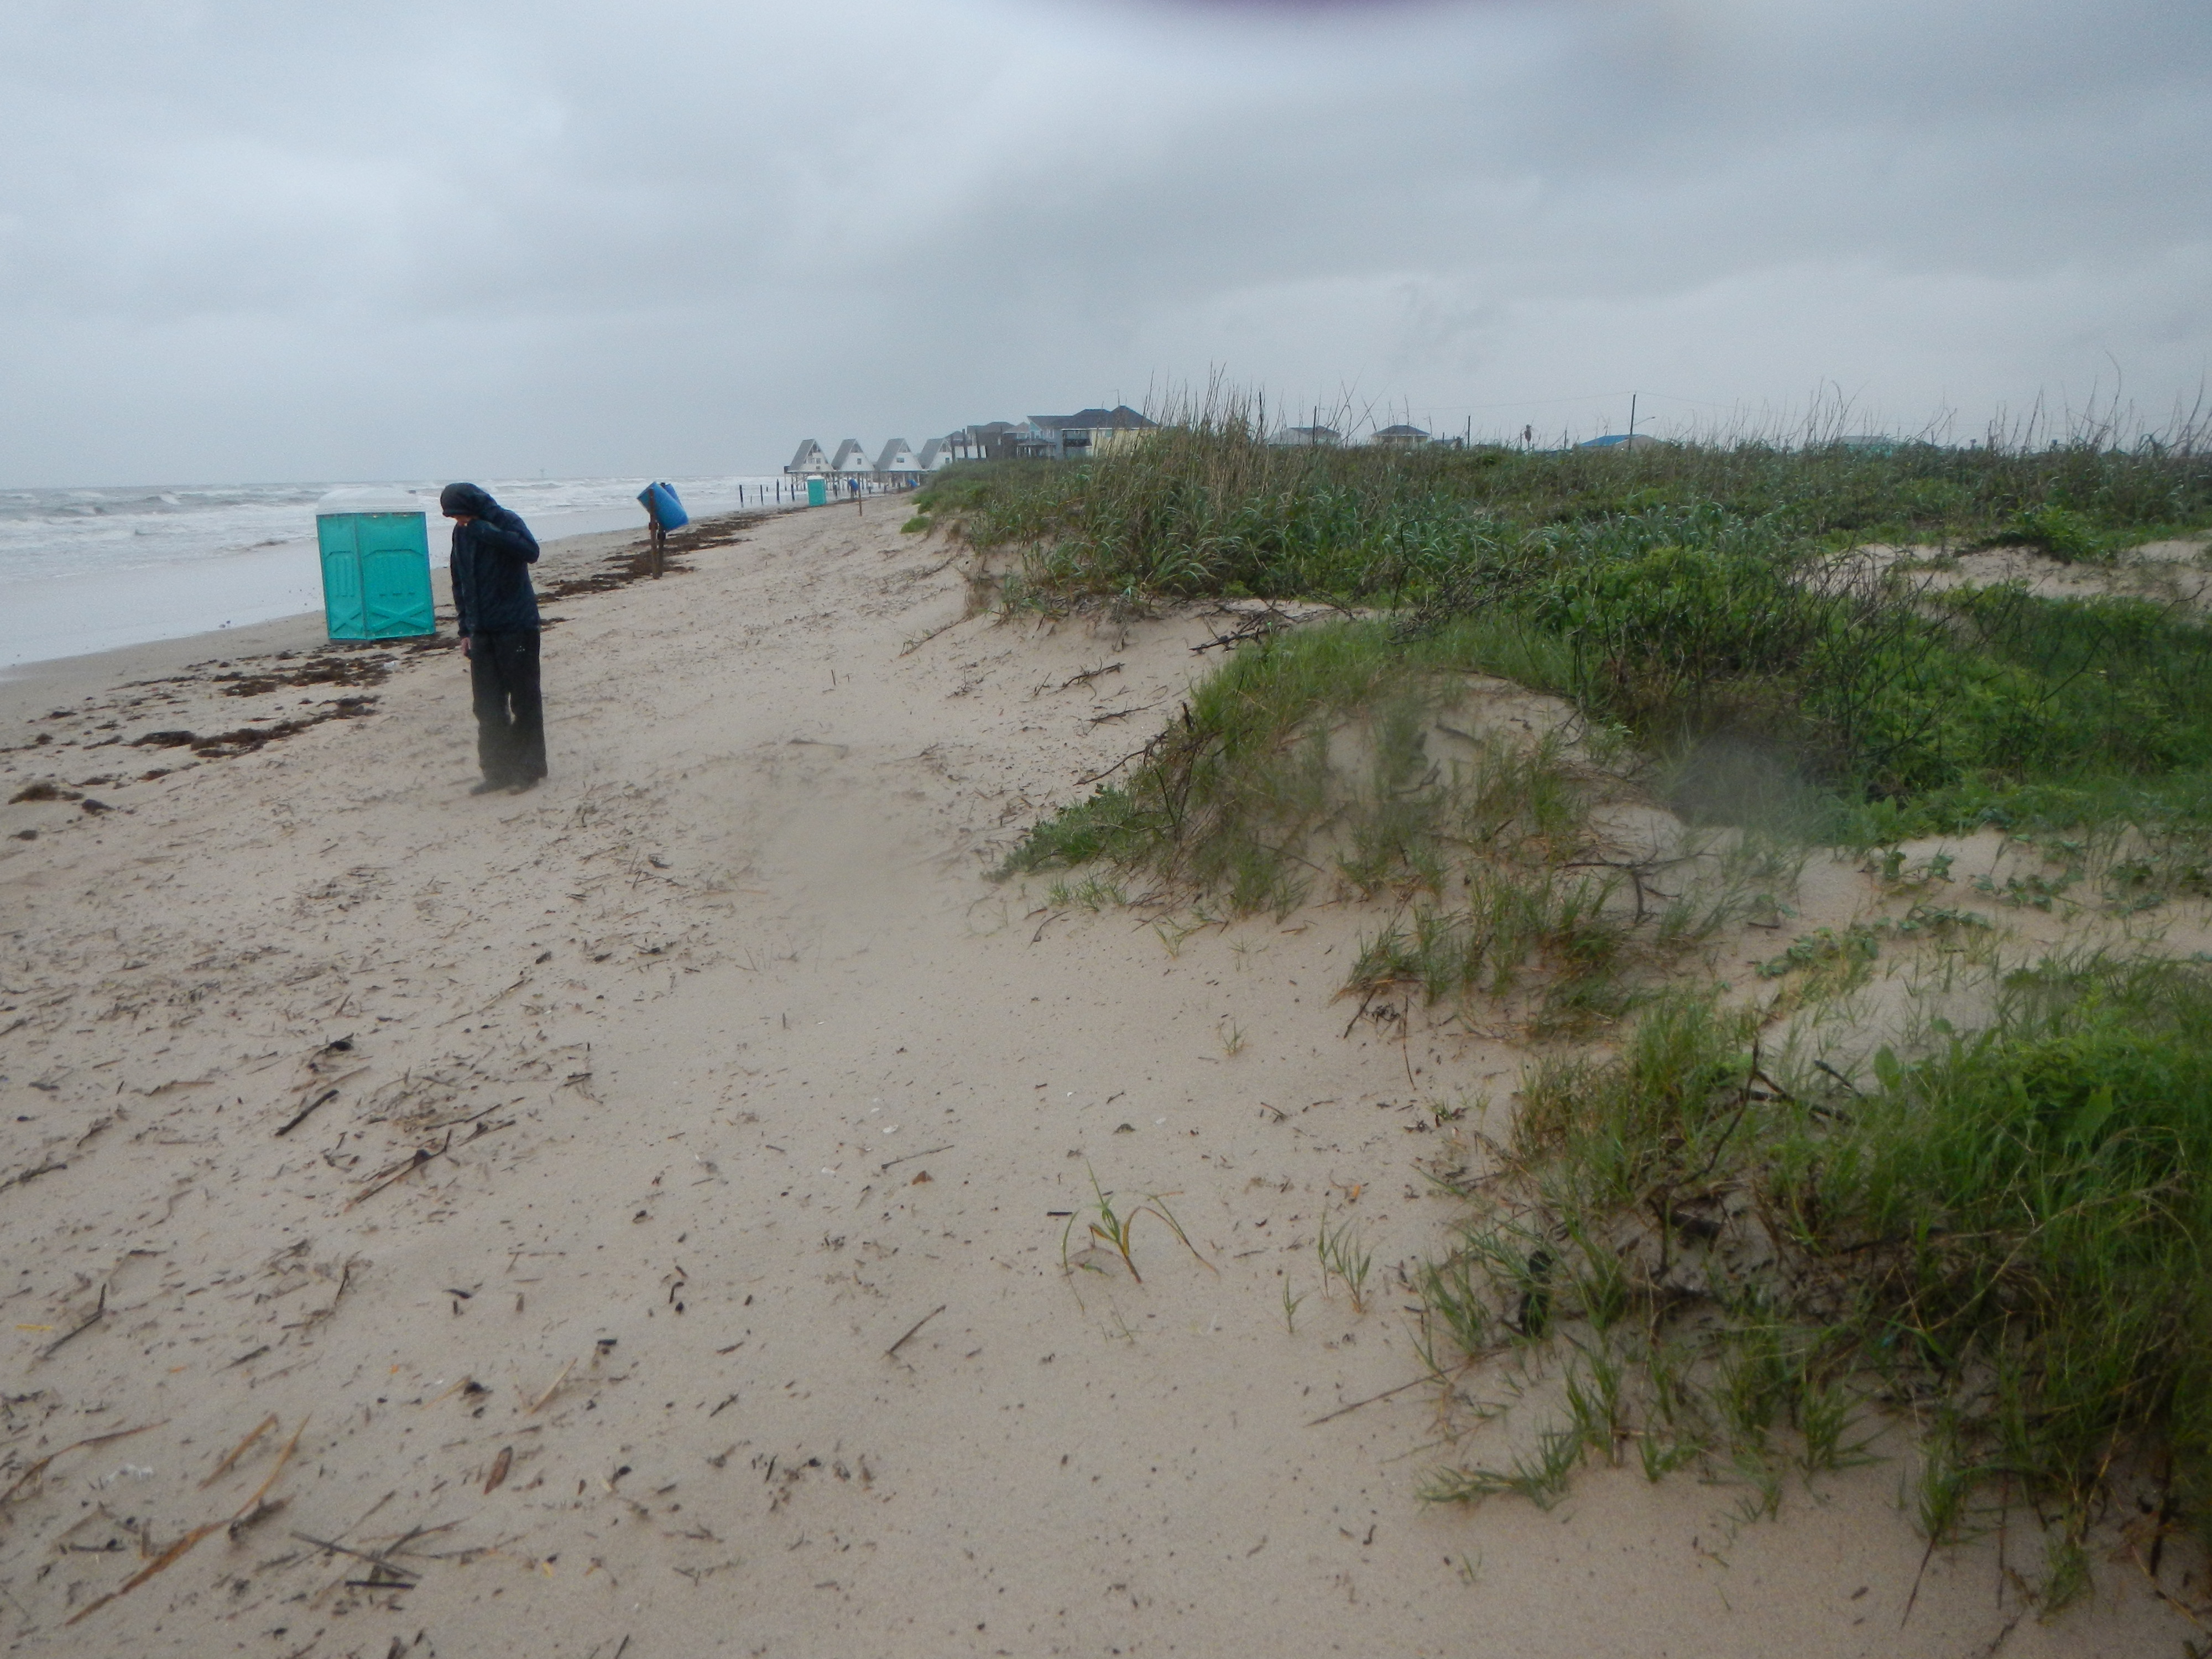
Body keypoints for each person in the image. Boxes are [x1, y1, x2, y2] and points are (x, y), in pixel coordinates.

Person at [442, 482, 546, 795]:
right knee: (487, 706)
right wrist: (465, 631)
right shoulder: (460, 534)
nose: (459, 523)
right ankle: (497, 772)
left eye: (461, 516)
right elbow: (459, 582)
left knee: (524, 700)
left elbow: (531, 551)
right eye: (454, 518)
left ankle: (529, 770)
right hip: (481, 632)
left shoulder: (505, 520)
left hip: (517, 626)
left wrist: (485, 531)